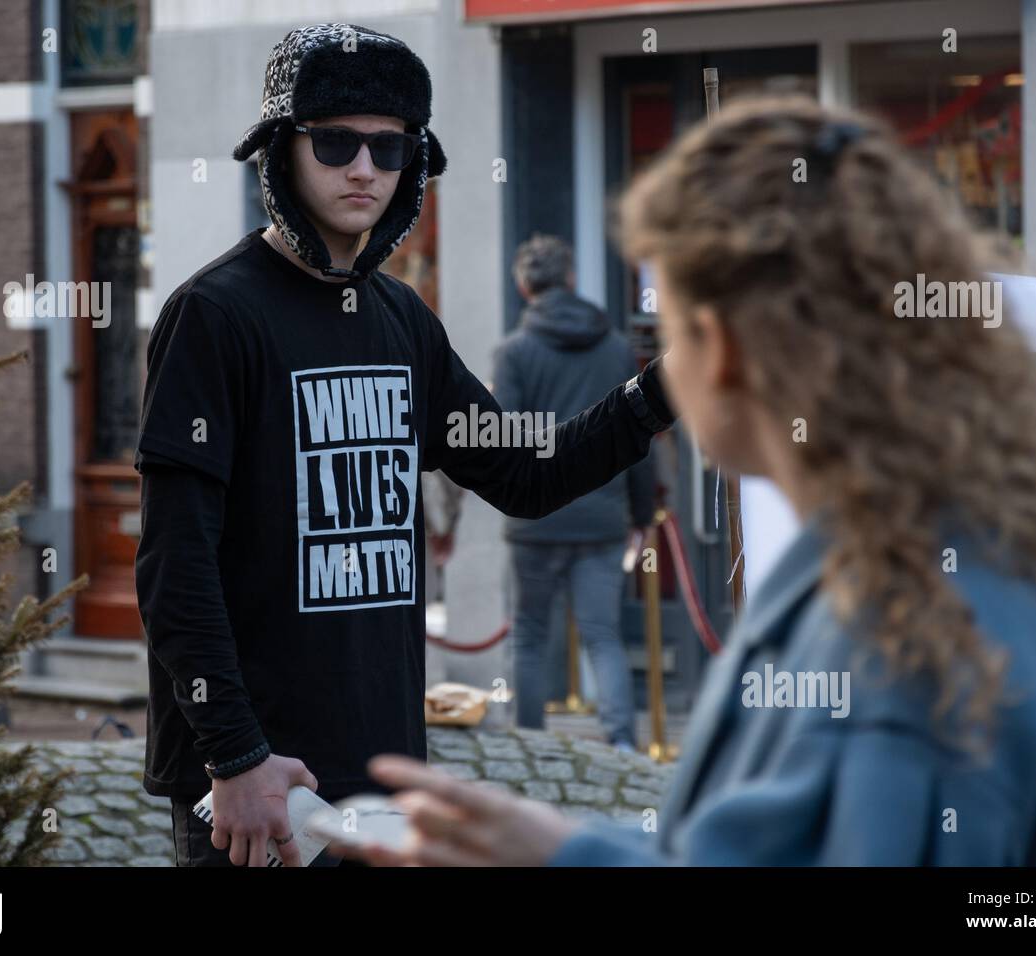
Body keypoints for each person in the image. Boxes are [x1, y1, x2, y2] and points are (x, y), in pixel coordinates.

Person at [339, 96, 1036, 866]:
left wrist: (562, 856)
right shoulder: (922, 546)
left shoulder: (898, 637)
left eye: (671, 326)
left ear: (716, 348)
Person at [132, 23, 675, 868]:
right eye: (336, 141)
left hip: (381, 780)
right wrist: (234, 754)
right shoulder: (215, 316)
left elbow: (527, 475)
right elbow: (175, 563)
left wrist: (663, 388)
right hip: (259, 783)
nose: (363, 168)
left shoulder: (401, 319)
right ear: (284, 151)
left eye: (390, 150)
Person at [493, 234, 654, 750]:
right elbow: (636, 432)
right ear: (572, 280)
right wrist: (644, 515)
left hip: (535, 519)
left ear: (523, 286)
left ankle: (529, 744)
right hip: (602, 516)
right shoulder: (615, 348)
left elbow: (507, 436)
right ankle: (623, 741)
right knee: (603, 636)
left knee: (530, 637)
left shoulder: (513, 352)